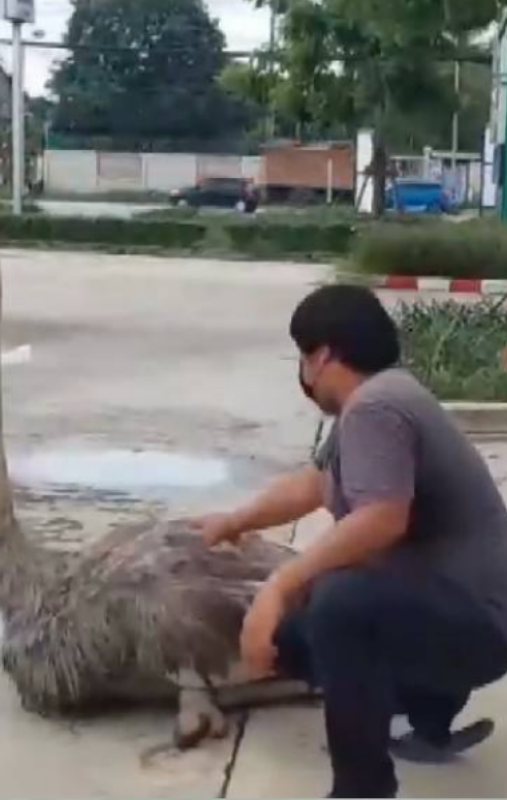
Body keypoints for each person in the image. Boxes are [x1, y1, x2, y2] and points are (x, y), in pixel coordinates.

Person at [191, 284, 507, 799]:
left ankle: (363, 788)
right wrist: (234, 520)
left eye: (302, 356)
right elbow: (315, 484)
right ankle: (430, 715)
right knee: (298, 634)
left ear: (322, 356)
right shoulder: (385, 396)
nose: (303, 372)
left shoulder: (375, 408)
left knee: (339, 604)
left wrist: (278, 585)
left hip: (480, 627)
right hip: (475, 612)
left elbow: (382, 519)